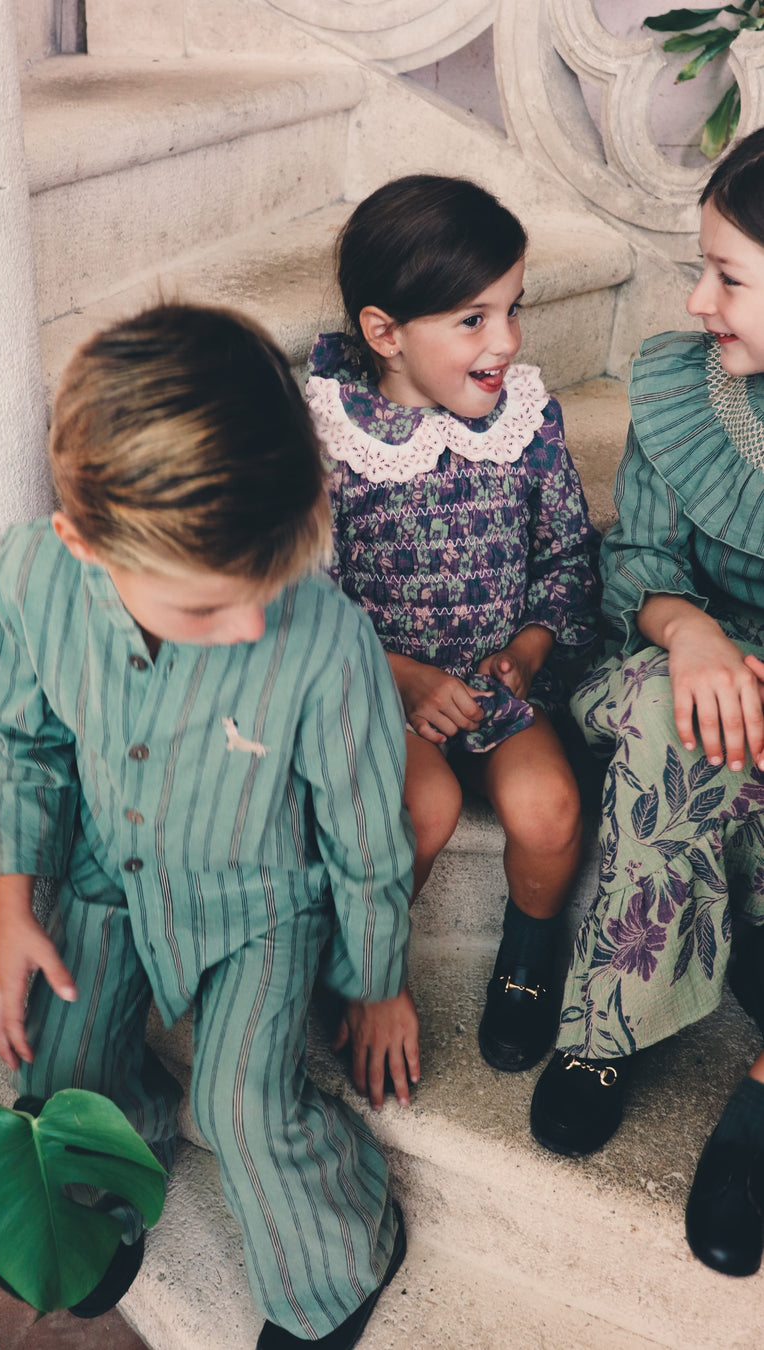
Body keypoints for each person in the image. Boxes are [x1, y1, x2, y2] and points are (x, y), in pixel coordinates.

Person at [0, 302, 417, 1348]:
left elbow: (367, 839)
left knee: (238, 1108)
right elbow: (27, 743)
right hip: (103, 878)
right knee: (61, 1071)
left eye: (266, 589)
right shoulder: (31, 576)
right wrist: (12, 901)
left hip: (259, 906)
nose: (251, 626)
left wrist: (377, 980)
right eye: (208, 608)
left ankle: (345, 1250)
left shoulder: (325, 640)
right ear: (83, 541)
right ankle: (113, 1188)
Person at [529, 126, 764, 1280]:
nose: (697, 297)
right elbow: (635, 575)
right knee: (689, 731)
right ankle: (605, 1023)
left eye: (731, 276)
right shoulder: (683, 388)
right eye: (702, 265)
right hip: (664, 659)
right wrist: (696, 633)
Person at [306, 174, 599, 1076]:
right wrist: (401, 678)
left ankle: (528, 958)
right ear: (384, 332)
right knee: (418, 810)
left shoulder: (529, 419)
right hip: (377, 686)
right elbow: (307, 600)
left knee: (550, 811)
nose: (505, 340)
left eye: (512, 309)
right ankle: (366, 965)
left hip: (497, 683)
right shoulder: (332, 433)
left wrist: (526, 650)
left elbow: (568, 560)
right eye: (473, 319)